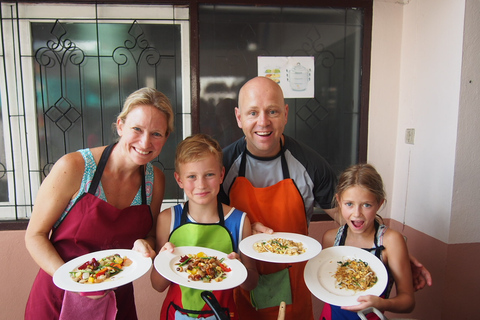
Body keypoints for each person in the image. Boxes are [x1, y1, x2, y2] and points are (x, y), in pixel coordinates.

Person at [219, 76, 432, 320]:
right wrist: (244, 228)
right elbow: (207, 218)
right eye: (252, 112)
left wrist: (389, 251)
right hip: (245, 277)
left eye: (273, 111)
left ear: (286, 113)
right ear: (238, 117)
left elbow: (347, 215)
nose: (263, 122)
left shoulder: (310, 164)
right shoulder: (223, 165)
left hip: (295, 281)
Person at [24, 87, 174, 320]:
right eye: (137, 129)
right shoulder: (74, 167)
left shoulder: (155, 181)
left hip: (117, 298)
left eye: (156, 134)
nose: (145, 142)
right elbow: (35, 235)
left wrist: (145, 244)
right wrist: (73, 281)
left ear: (165, 138)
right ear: (120, 125)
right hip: (60, 295)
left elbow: (150, 235)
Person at [151, 133, 258, 320]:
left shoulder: (239, 221)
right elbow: (157, 285)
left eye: (209, 174)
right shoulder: (168, 219)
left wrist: (240, 269)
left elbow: (251, 283)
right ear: (179, 179)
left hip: (223, 314)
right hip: (176, 313)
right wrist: (164, 259)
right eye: (192, 176)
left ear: (221, 175)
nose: (201, 185)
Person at [320, 163, 415, 319]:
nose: (357, 213)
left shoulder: (391, 241)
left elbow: (408, 302)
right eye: (349, 204)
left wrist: (381, 303)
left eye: (366, 205)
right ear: (338, 201)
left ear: (379, 204)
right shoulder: (330, 238)